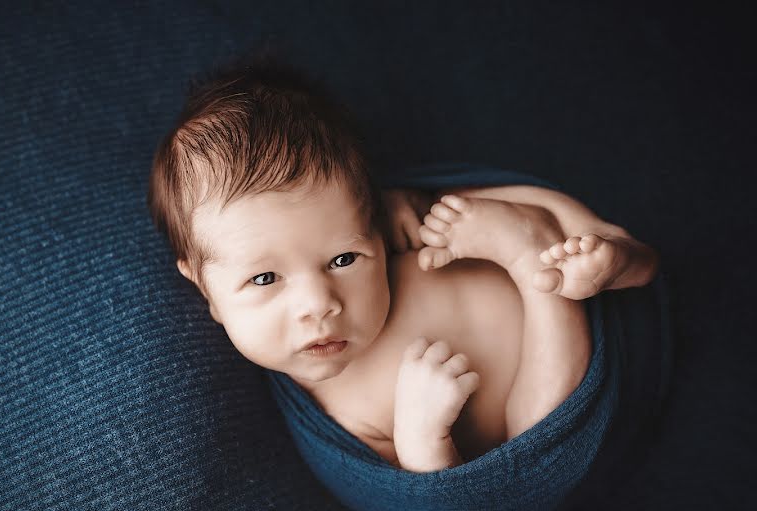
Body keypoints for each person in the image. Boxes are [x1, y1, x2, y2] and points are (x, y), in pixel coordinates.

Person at [147, 58, 659, 473]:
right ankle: (535, 263)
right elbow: (450, 502)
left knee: (518, 214)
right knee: (535, 437)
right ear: (204, 288)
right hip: (558, 372)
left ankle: (621, 257)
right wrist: (421, 435)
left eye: (343, 258)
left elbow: (408, 212)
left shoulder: (390, 232)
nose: (319, 304)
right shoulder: (342, 417)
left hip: (566, 264)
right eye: (264, 278)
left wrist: (406, 204)